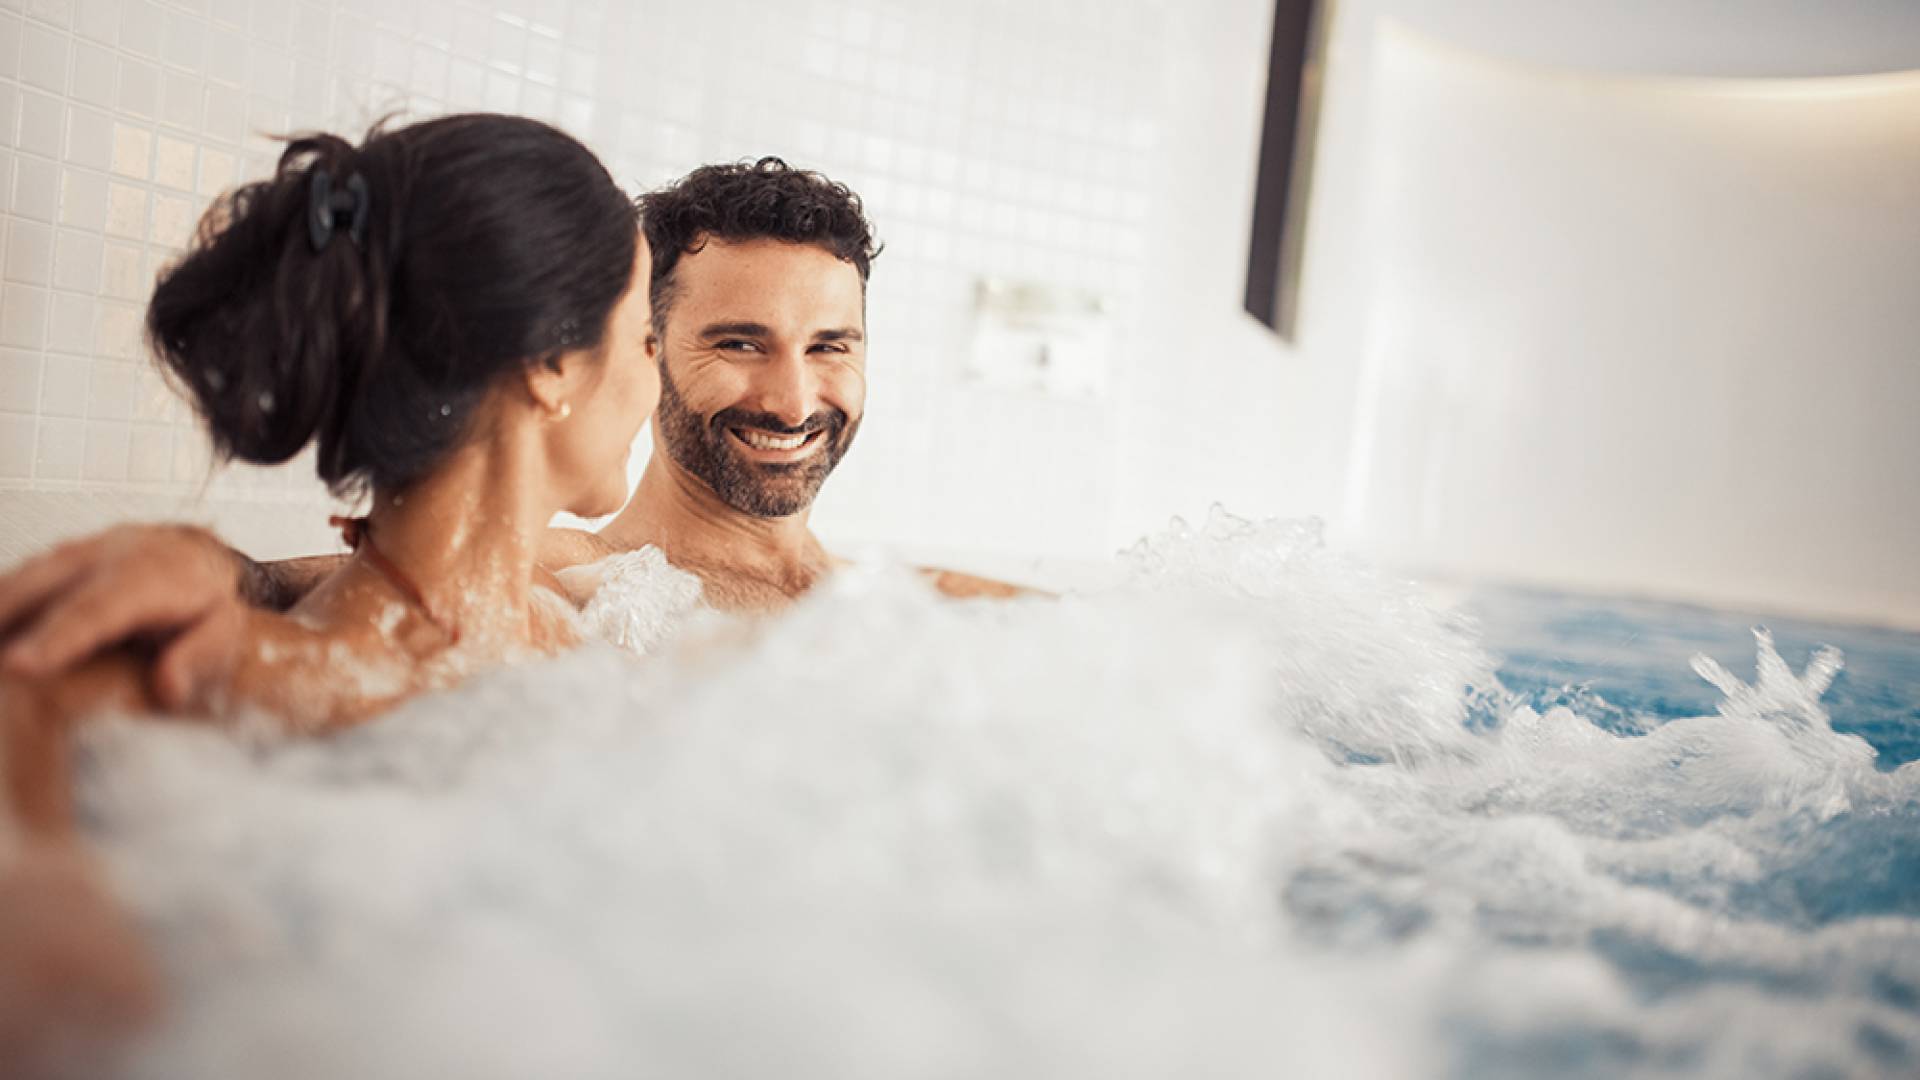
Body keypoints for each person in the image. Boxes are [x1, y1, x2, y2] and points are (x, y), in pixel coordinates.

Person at [0, 112, 655, 1070]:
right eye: (643, 339)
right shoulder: (247, 675)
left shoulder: (578, 633)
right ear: (553, 367)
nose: (654, 382)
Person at [0, 157, 1023, 708]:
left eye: (832, 345)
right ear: (646, 344)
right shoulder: (581, 583)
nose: (796, 401)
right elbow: (370, 586)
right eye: (740, 342)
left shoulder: (909, 607)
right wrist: (191, 556)